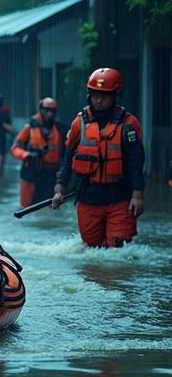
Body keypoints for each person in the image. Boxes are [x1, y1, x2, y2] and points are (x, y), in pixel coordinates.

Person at [51, 68, 145, 248]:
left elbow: (136, 162)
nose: (99, 100)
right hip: (89, 197)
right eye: (95, 95)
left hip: (120, 197)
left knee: (118, 249)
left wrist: (138, 195)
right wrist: (59, 189)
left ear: (116, 96)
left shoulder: (129, 124)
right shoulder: (79, 123)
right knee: (91, 248)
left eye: (105, 96)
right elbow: (68, 158)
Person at [10, 97, 66, 207]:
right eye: (47, 110)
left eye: (52, 111)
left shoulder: (60, 129)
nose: (50, 113)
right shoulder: (29, 127)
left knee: (50, 205)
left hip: (51, 174)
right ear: (41, 110)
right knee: (27, 206)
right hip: (32, 172)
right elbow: (15, 148)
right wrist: (27, 155)